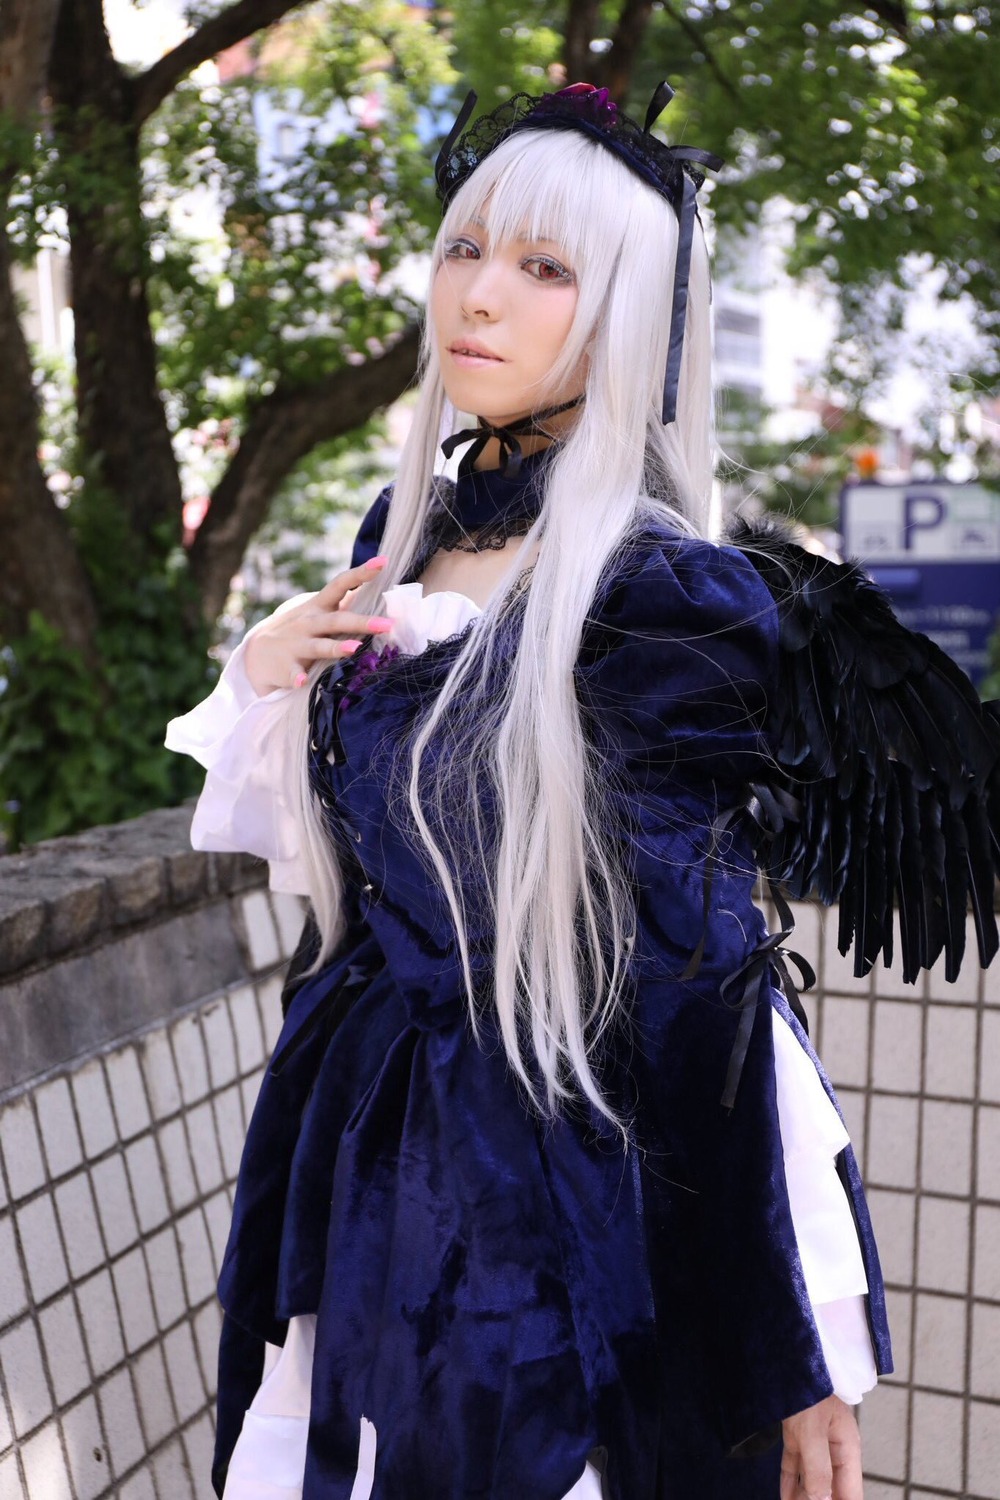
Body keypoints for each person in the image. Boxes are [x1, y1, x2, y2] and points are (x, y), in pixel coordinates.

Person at [166, 81, 893, 1500]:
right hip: (372, 1155)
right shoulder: (404, 535)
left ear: (623, 311)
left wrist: (783, 1338)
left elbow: (705, 991)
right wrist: (262, 670)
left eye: (544, 268)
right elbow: (331, 865)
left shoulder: (673, 596)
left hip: (574, 1187)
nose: (478, 297)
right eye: (466, 248)